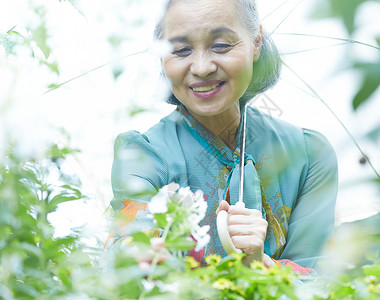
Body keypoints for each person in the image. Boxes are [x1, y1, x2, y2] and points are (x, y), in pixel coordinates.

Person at [107, 0, 338, 275]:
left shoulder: (308, 155)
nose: (202, 67)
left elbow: (321, 281)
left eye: (221, 46)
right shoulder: (142, 157)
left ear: (256, 42)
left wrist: (262, 264)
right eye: (181, 50)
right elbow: (123, 269)